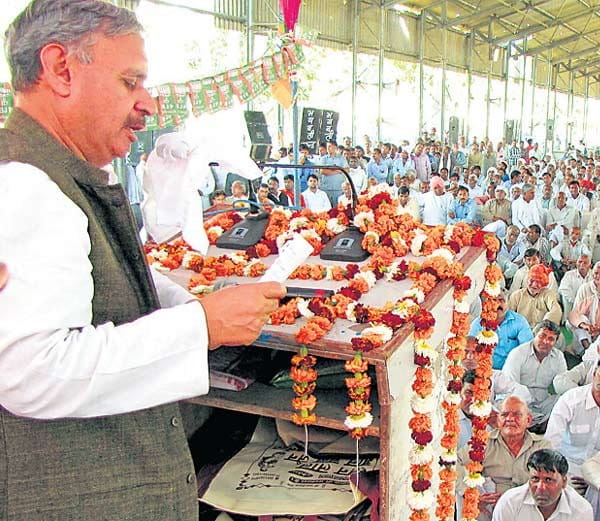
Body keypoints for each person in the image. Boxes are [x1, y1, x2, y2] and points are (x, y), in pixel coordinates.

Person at [0, 2, 287, 519]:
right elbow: (35, 371)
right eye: (129, 82)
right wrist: (201, 326)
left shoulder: (60, 172)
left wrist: (188, 301)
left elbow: (99, 273)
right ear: (61, 70)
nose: (148, 105)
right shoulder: (25, 184)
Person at [457, 397, 551, 520]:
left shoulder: (541, 446)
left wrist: (510, 500)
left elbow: (550, 481)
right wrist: (469, 494)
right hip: (492, 507)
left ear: (528, 420)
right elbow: (454, 463)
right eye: (504, 415)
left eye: (517, 415)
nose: (510, 419)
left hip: (529, 504)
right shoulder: (483, 442)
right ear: (498, 420)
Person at [491, 449, 593, 521]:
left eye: (548, 480)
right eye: (535, 479)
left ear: (564, 482)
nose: (540, 487)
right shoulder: (510, 502)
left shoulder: (581, 510)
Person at [502, 321, 566, 433]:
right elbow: (511, 385)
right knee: (510, 405)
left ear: (555, 342)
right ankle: (538, 424)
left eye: (551, 339)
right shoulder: (518, 353)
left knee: (563, 399)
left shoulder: (558, 357)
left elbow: (563, 383)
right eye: (542, 336)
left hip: (543, 402)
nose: (545, 342)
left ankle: (541, 424)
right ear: (534, 335)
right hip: (520, 399)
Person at [469, 290, 534, 370]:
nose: (497, 304)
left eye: (501, 300)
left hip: (511, 370)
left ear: (508, 303)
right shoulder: (479, 322)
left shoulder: (519, 321)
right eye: (493, 300)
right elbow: (469, 347)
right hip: (483, 370)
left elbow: (528, 350)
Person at [507, 265, 562, 329]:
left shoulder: (547, 294)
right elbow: (508, 315)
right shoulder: (517, 295)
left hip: (541, 330)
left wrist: (543, 325)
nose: (534, 285)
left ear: (544, 283)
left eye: (539, 282)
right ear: (527, 280)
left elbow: (556, 310)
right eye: (532, 280)